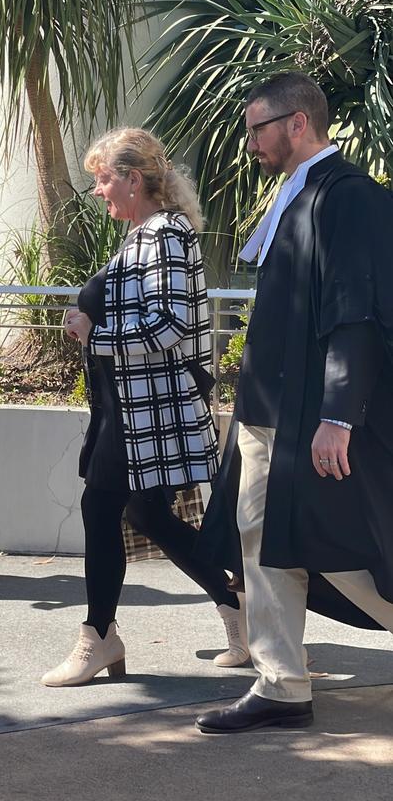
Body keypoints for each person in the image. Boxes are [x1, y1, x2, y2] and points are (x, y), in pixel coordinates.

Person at [195, 71, 393, 734]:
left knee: (347, 549)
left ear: (297, 124)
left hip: (314, 414)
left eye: (258, 129)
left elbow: (355, 310)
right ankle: (281, 684)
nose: (251, 142)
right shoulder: (294, 194)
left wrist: (339, 412)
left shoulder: (350, 198)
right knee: (261, 541)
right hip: (267, 412)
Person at [42, 127, 247, 688]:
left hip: (144, 411)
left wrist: (94, 335)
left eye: (105, 179)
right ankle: (236, 606)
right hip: (130, 408)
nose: (99, 191)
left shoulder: (161, 236)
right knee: (145, 513)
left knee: (101, 510)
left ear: (135, 180)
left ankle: (98, 636)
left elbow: (169, 325)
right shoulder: (148, 233)